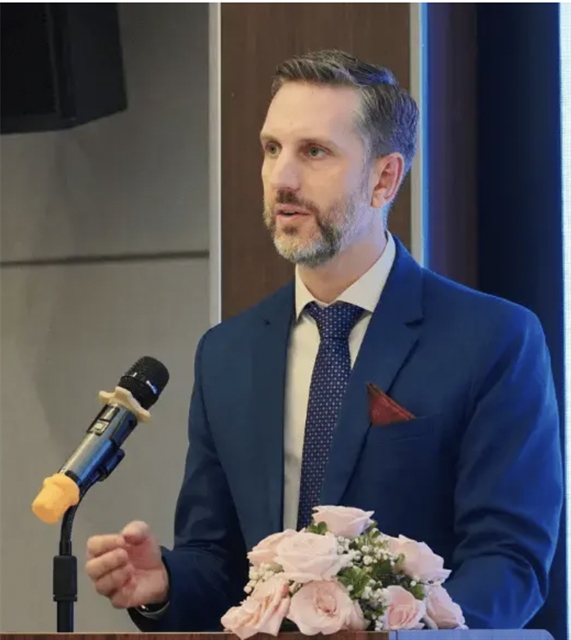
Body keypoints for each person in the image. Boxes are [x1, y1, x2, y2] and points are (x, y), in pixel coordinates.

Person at [84, 50, 563, 631]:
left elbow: (508, 560)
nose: (282, 178)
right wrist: (164, 584)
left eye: (314, 152)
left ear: (384, 178)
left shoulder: (493, 339)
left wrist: (407, 633)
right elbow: (218, 563)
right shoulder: (226, 354)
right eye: (271, 149)